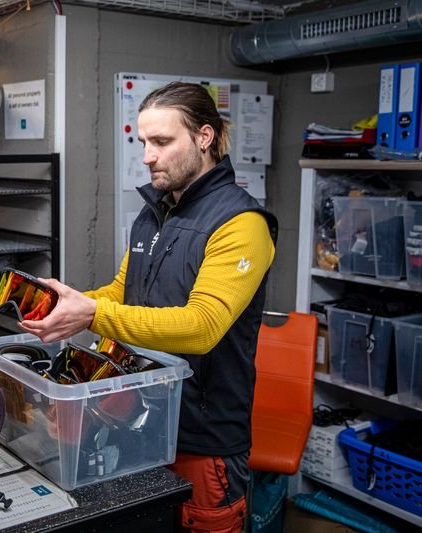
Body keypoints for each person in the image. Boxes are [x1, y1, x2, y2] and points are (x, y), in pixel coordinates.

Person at [20, 81, 278, 532]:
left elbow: (203, 326)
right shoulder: (156, 209)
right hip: (143, 421)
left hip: (203, 436)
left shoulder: (242, 224)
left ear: (204, 137)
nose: (147, 156)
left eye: (161, 141)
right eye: (143, 141)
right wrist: (71, 304)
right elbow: (125, 288)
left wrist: (92, 315)